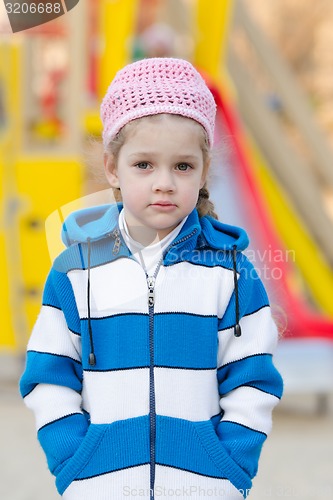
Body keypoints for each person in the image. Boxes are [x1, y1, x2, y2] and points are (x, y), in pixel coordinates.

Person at [20, 57, 283, 500]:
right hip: (99, 486)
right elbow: (48, 374)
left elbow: (252, 377)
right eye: (144, 165)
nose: (164, 183)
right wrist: (74, 461)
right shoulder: (75, 269)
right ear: (111, 168)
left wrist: (230, 465)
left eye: (182, 166)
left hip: (205, 487)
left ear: (203, 172)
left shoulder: (231, 271)